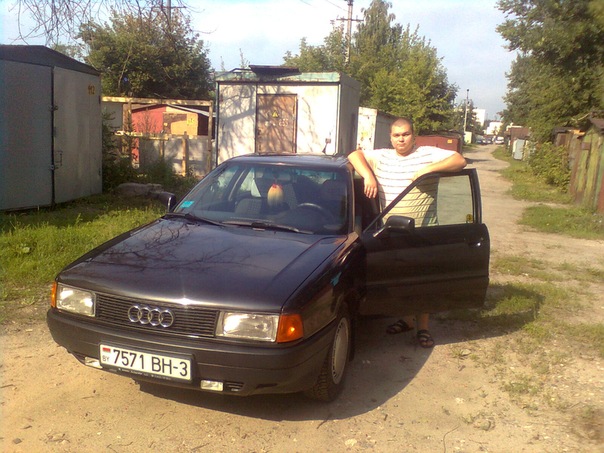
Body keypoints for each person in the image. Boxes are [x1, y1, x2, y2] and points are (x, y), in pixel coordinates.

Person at [348, 117, 467, 348]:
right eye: (396, 135)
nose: (401, 139)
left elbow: (459, 161)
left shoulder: (428, 154)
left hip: (422, 231)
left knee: (422, 280)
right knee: (401, 279)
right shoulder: (382, 156)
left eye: (405, 134)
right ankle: (407, 320)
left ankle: (423, 328)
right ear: (391, 137)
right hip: (392, 232)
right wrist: (368, 175)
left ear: (413, 136)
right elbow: (354, 155)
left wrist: (427, 170)